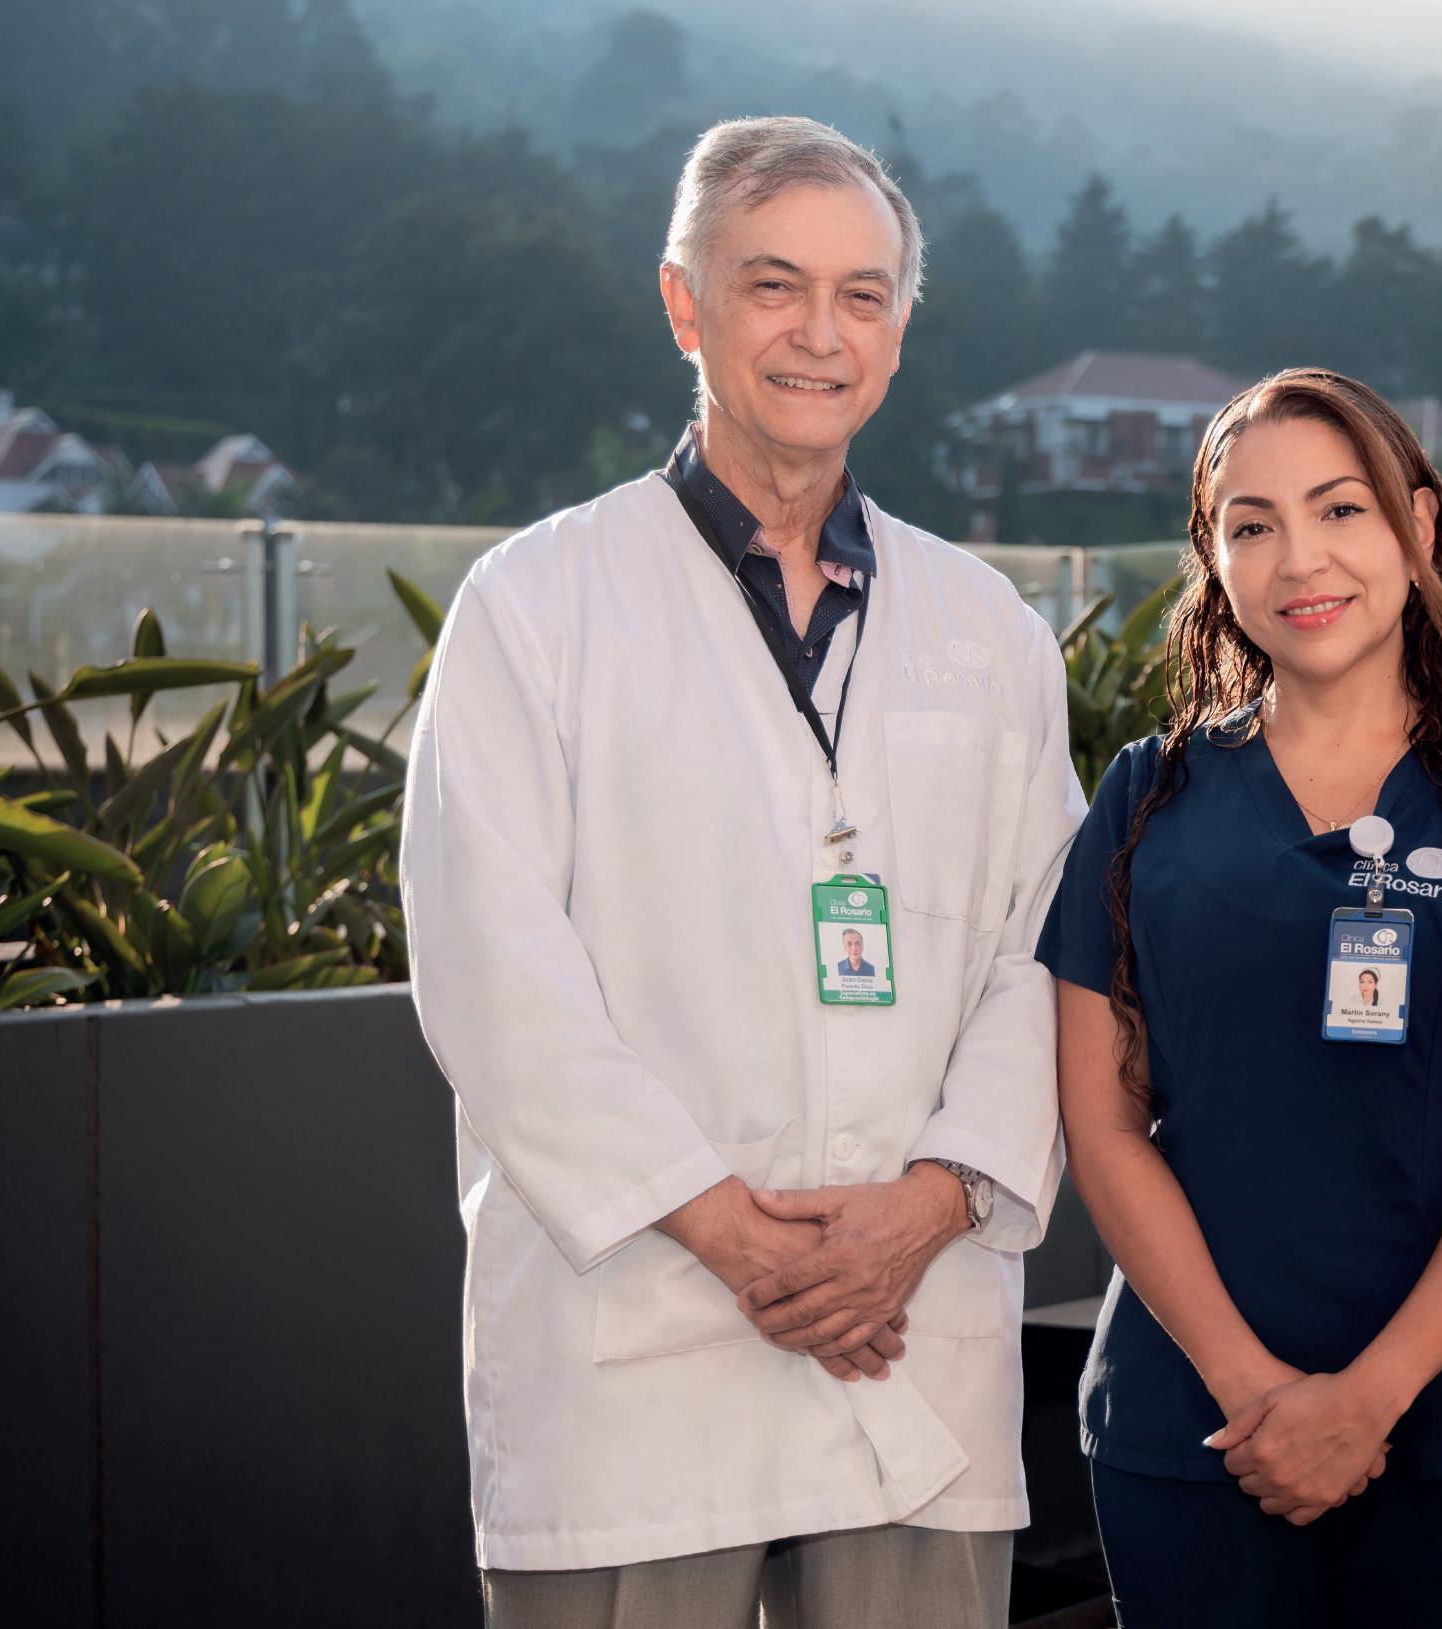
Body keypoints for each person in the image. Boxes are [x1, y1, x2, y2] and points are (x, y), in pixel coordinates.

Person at [402, 116, 1080, 1628]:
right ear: (684, 304)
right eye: (775, 285)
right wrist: (731, 1233)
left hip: (910, 1341)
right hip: (640, 1356)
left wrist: (924, 1211)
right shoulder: (536, 604)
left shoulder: (988, 629)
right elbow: (493, 970)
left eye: (863, 295)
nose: (821, 334)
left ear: (898, 330)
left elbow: (1047, 951)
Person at [1036, 369, 1442, 1629]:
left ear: (1419, 525)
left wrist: (1370, 1398)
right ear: (1214, 559)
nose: (1299, 560)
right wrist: (1250, 1390)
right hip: (1200, 1426)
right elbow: (1102, 1124)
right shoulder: (1147, 801)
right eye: (1253, 525)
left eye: (1340, 510)